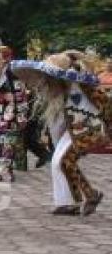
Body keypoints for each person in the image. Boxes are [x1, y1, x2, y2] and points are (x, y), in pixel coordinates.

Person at [13, 51, 111, 216]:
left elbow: (106, 104)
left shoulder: (84, 85)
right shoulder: (61, 90)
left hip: (91, 130)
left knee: (65, 161)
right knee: (57, 162)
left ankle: (86, 196)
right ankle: (68, 202)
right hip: (74, 132)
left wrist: (108, 127)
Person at [0, 46, 30, 181]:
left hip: (10, 115)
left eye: (0, 58)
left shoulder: (13, 72)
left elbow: (20, 95)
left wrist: (22, 116)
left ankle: (4, 172)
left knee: (7, 143)